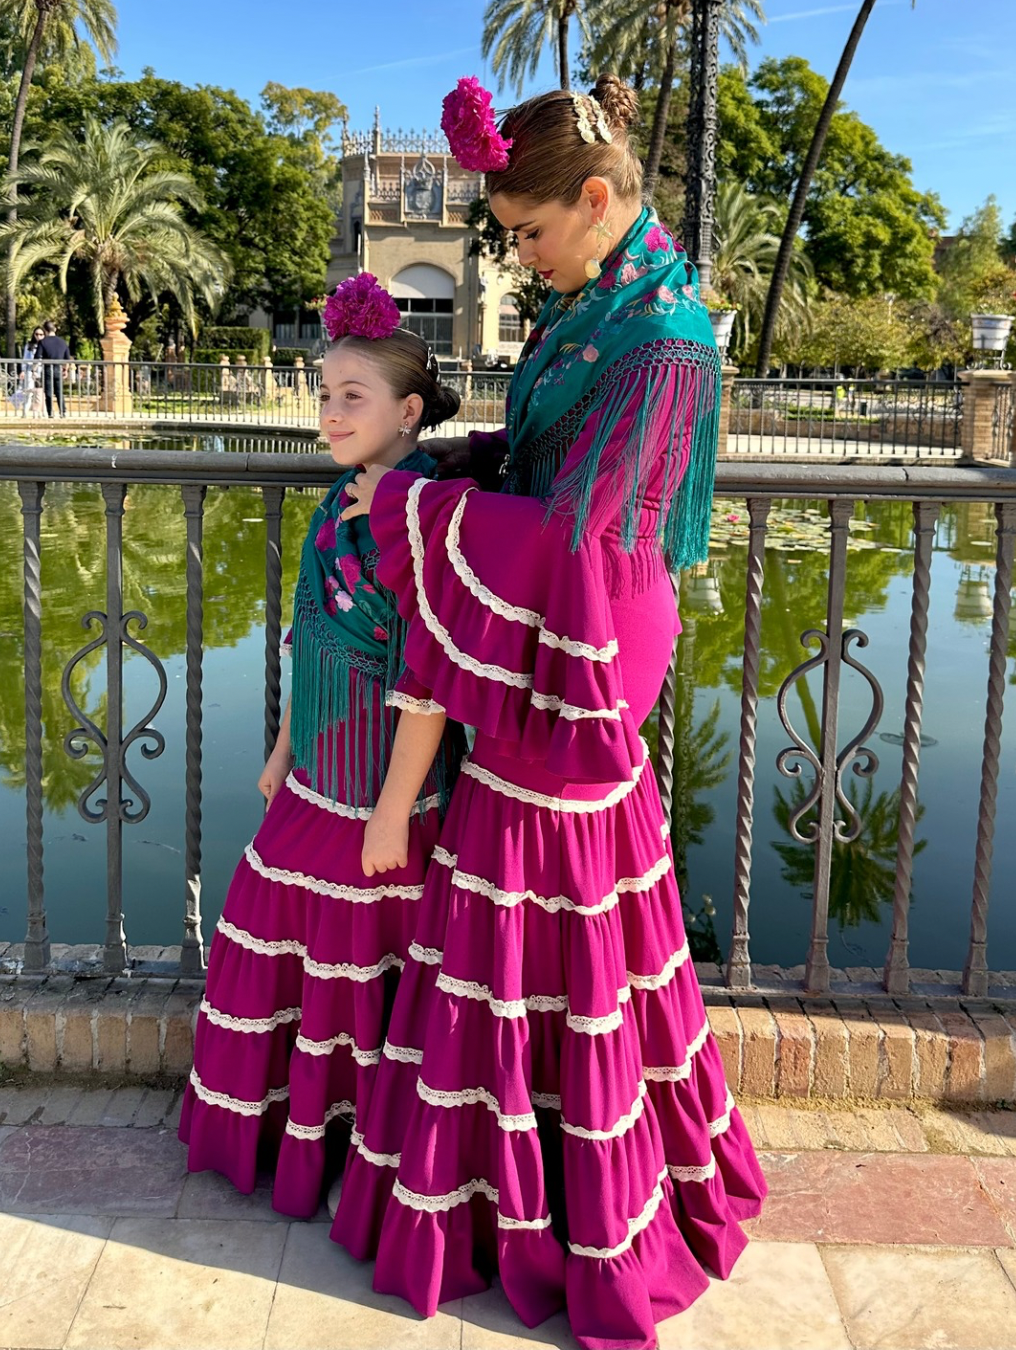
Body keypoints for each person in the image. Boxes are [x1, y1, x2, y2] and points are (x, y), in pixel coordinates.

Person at [330, 76, 766, 1350]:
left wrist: (410, 509)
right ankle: (495, 1203)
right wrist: (456, 466)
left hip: (576, 655)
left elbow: (589, 537)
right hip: (541, 633)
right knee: (521, 924)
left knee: (560, 916)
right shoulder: (596, 300)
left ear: (594, 199)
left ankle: (578, 1217)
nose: (514, 254)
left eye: (525, 230)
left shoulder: (665, 336)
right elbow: (544, 472)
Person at [179, 274, 467, 1218]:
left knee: (361, 954)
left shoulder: (423, 513)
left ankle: (352, 1146)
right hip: (318, 769)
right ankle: (287, 1133)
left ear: (408, 410)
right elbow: (309, 631)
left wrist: (392, 810)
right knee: (271, 927)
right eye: (324, 395)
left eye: (355, 397)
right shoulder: (341, 498)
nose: (332, 413)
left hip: (387, 790)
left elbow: (431, 675)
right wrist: (279, 748)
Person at [37, 320, 70, 417]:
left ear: (45, 331)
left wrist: (33, 369)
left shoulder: (43, 342)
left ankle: (50, 412)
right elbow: (67, 358)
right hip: (58, 368)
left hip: (47, 368)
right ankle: (63, 411)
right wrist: (65, 369)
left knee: (48, 391)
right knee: (59, 391)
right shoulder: (62, 342)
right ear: (54, 329)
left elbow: (38, 356)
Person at [17, 327, 46, 416]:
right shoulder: (29, 345)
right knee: (28, 392)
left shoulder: (45, 345)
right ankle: (25, 413)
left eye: (41, 334)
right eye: (36, 334)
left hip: (41, 371)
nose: (38, 336)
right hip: (29, 370)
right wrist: (22, 370)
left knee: (40, 394)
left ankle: (41, 413)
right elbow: (25, 358)